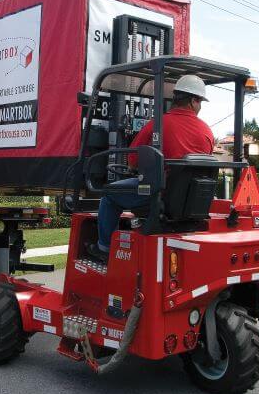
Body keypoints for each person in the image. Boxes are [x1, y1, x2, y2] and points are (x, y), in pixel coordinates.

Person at [86, 74, 215, 262]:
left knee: (109, 196)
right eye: (200, 102)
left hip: (158, 195)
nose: (200, 107)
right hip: (192, 202)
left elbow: (132, 161)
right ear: (193, 101)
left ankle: (104, 247)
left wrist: (138, 168)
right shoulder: (207, 131)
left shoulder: (157, 125)